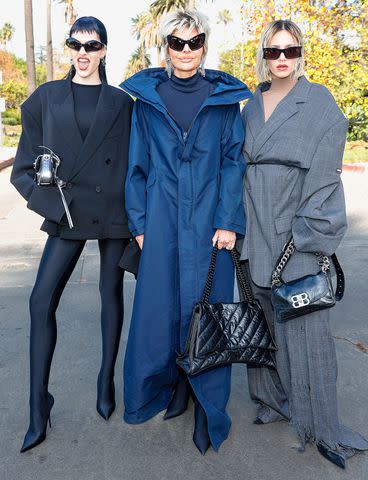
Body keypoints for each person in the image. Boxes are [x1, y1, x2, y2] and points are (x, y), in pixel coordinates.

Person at [238, 19, 368, 468]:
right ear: (263, 54)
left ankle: (323, 427)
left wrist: (307, 237)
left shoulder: (319, 102)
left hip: (295, 227)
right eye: (273, 52)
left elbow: (325, 175)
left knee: (308, 332)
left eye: (289, 51)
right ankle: (273, 400)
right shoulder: (250, 105)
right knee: (263, 326)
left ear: (301, 54)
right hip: (253, 224)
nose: (281, 60)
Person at [120, 10, 251, 455]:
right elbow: (136, 166)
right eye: (177, 42)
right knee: (160, 312)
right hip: (161, 220)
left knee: (207, 311)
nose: (186, 50)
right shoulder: (147, 100)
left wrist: (229, 220)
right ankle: (168, 388)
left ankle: (206, 404)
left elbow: (234, 162)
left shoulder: (223, 98)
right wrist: (139, 223)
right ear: (165, 47)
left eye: (194, 42)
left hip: (210, 224)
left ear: (205, 46)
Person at [11, 16, 133, 452]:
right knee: (40, 299)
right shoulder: (46, 99)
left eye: (93, 44)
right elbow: (24, 168)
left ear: (104, 50)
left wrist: (139, 219)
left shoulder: (123, 102)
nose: (83, 52)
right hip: (67, 211)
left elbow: (135, 164)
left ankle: (105, 382)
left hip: (113, 211)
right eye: (76, 44)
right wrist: (48, 203)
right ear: (69, 49)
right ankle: (37, 405)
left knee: (110, 294)